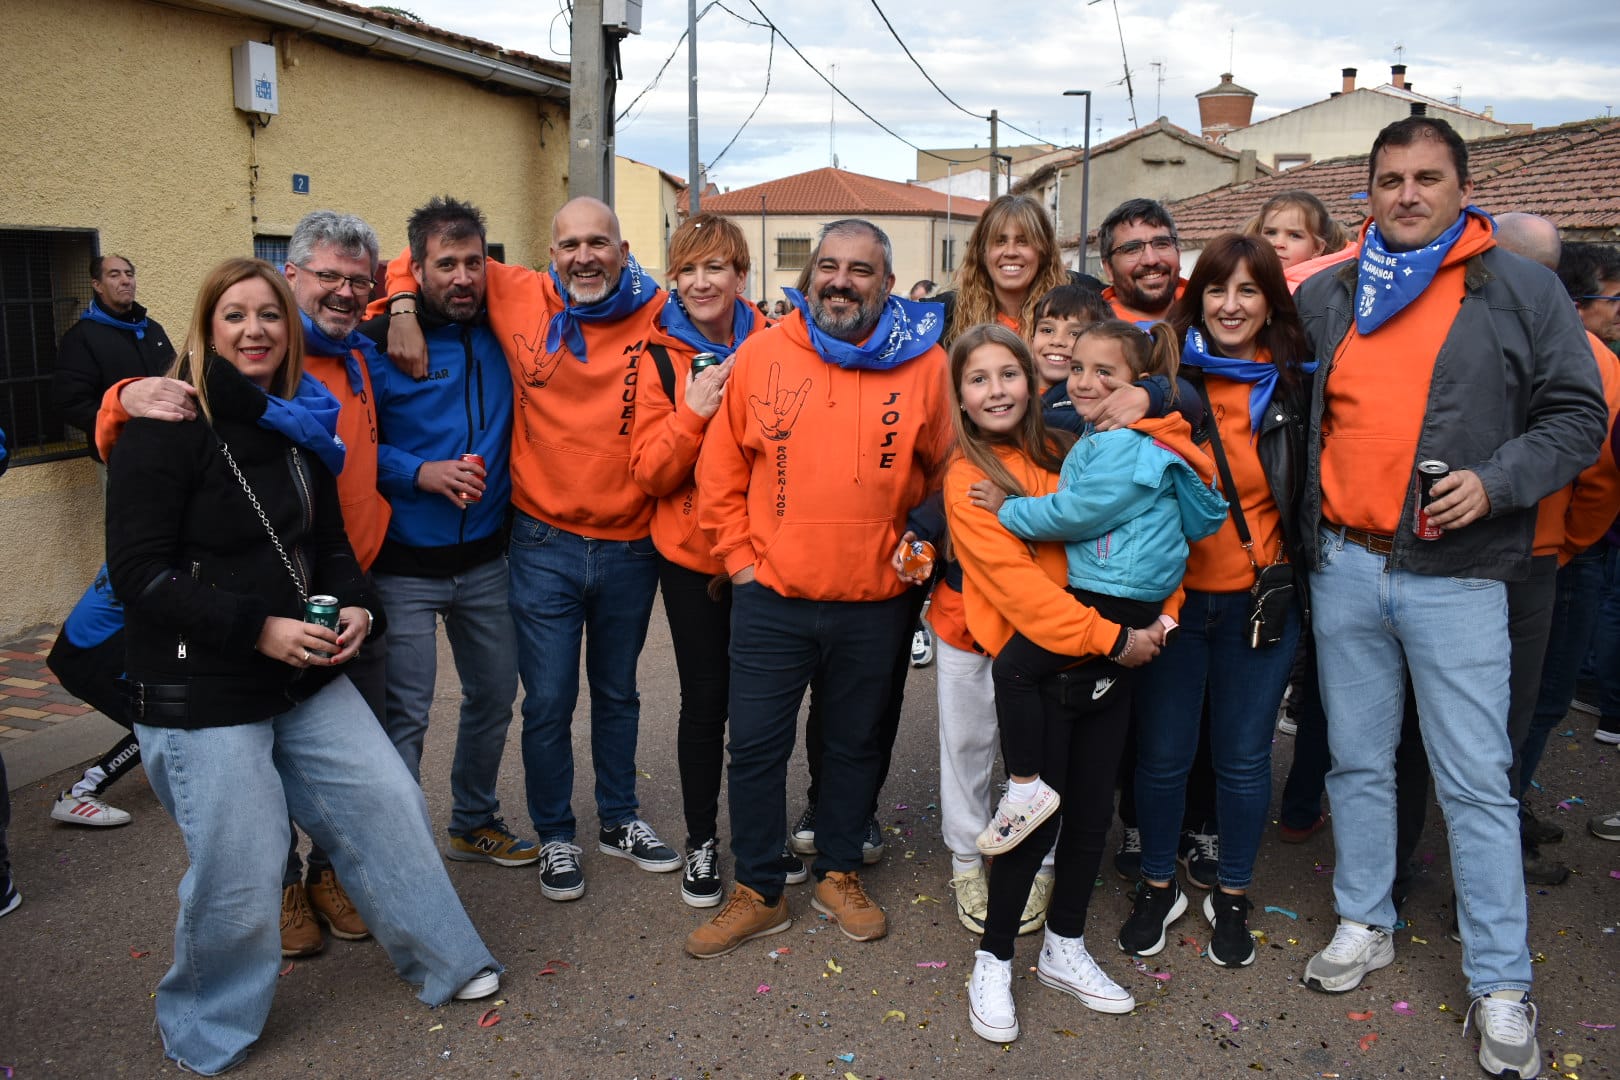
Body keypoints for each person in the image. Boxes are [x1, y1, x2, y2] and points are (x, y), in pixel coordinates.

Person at [106, 258, 501, 1076]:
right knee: (243, 863)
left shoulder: (299, 423)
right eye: (235, 317)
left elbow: (327, 550)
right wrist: (259, 630)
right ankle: (207, 1025)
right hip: (198, 687)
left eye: (270, 316)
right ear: (206, 329)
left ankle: (447, 961)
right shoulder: (163, 425)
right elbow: (140, 575)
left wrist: (359, 604)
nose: (255, 331)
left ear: (291, 330)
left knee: (388, 801)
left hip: (300, 672)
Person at [1295, 117, 1606, 1080]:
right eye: (1390, 179)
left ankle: (1502, 983)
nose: (1408, 194)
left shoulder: (1519, 288)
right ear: (1371, 191)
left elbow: (1578, 415)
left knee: (1476, 779)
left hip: (1459, 573)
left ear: (1461, 186)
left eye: (1428, 177)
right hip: (1343, 564)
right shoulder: (1332, 292)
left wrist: (1499, 481)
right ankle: (1365, 920)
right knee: (1356, 762)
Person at [101, 209, 395, 957]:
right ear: (296, 277)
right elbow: (143, 524)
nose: (342, 290)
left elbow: (347, 490)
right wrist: (122, 395)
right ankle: (286, 890)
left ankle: (329, 877)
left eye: (359, 280)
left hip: (338, 592)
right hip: (229, 639)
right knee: (250, 813)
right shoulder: (194, 404)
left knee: (361, 776)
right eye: (326, 275)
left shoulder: (358, 360)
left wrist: (360, 599)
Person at [380, 197, 680, 903]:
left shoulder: (659, 308)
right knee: (545, 700)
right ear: (550, 253)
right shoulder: (517, 291)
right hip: (542, 540)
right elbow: (419, 257)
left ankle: (619, 819)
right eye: (570, 243)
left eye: (598, 243)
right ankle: (555, 834)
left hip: (630, 543)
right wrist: (398, 303)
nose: (584, 257)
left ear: (624, 248)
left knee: (619, 694)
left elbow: (731, 318)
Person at [685, 219, 951, 957]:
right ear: (808, 281)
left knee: (854, 743)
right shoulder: (763, 353)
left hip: (876, 601)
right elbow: (721, 475)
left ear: (887, 284)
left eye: (860, 270)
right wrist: (741, 566)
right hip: (772, 597)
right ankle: (760, 889)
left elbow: (949, 470)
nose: (840, 281)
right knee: (758, 750)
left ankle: (837, 871)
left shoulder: (926, 365)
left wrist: (917, 551)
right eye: (827, 267)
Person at [944, 322, 1166, 1042]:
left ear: (1032, 381)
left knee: (1092, 818)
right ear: (962, 397)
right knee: (1032, 823)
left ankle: (1065, 947)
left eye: (1007, 374)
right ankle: (995, 960)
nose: (996, 389)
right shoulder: (966, 479)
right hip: (1053, 668)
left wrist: (1161, 617)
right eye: (978, 379)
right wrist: (1115, 637)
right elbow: (1020, 593)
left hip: (1111, 662)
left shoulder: (1075, 452)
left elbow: (1147, 530)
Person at [1120, 233, 1312, 968]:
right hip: (1172, 605)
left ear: (1270, 303)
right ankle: (1158, 884)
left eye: (1248, 291)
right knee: (1164, 759)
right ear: (1195, 298)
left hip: (1261, 605)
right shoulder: (1163, 376)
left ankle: (1232, 892)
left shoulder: (1295, 383)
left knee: (1240, 759)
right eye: (1217, 290)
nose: (1231, 306)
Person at [971, 321, 1224, 857]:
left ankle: (1025, 788)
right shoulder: (1106, 435)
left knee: (1014, 670)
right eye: (1079, 368)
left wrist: (1006, 507)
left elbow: (1077, 513)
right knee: (1092, 711)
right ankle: (1066, 809)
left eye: (1104, 372)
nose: (1084, 382)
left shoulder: (1123, 444)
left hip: (1113, 589)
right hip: (1124, 586)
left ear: (1140, 385)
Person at [360, 197, 536, 871]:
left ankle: (473, 820)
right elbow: (346, 446)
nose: (461, 278)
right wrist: (417, 472)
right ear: (417, 269)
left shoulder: (502, 328)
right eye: (444, 265)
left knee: (494, 695)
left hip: (488, 561)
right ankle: (396, 854)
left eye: (472, 262)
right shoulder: (378, 344)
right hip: (403, 569)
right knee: (405, 716)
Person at [627, 213, 785, 908]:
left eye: (714, 267)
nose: (699, 282)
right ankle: (701, 841)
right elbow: (649, 475)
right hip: (693, 558)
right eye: (687, 270)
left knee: (766, 706)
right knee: (707, 702)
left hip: (767, 555)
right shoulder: (657, 356)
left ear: (740, 274)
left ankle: (763, 837)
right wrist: (692, 411)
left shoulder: (779, 344)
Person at [52, 255, 176, 480]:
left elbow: (175, 378)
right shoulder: (81, 337)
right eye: (114, 274)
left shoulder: (152, 329)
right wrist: (120, 427)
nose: (125, 280)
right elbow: (70, 402)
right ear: (97, 285)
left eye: (129, 274)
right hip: (119, 458)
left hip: (169, 449)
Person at [936, 193, 1102, 346]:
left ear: (1043, 250)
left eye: (1023, 241)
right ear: (982, 252)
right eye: (1000, 241)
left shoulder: (1084, 303)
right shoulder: (946, 316)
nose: (1010, 252)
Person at [45, 567, 140, 827]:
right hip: (87, 658)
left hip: (82, 648)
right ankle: (78, 795)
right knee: (153, 725)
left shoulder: (142, 544)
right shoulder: (156, 563)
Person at [1097, 199, 1186, 322]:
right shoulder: (1092, 331)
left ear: (1178, 254)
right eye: (1132, 249)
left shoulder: (1210, 313)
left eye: (1161, 244)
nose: (1151, 260)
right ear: (1109, 268)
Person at [1246, 190, 1352, 288]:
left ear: (1317, 248)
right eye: (1271, 233)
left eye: (1294, 235)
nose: (1278, 243)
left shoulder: (1319, 292)